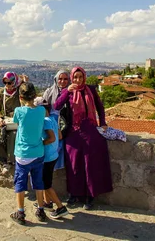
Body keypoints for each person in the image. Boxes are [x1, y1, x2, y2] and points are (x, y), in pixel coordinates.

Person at [54, 66, 112, 210]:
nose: (78, 80)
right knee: (74, 164)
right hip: (73, 132)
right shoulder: (68, 92)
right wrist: (67, 91)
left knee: (91, 165)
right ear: (72, 78)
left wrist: (103, 123)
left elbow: (100, 107)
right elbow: (56, 105)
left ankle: (90, 196)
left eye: (80, 77)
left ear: (84, 77)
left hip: (90, 130)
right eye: (75, 77)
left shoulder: (91, 90)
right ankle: (74, 194)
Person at [10, 82, 48, 225]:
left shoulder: (18, 111)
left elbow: (16, 123)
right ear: (35, 95)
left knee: (20, 183)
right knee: (38, 182)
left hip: (23, 154)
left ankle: (20, 212)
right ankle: (41, 209)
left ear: (20, 97)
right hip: (38, 152)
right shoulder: (41, 111)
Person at [33, 97, 68, 218]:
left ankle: (60, 207)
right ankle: (47, 202)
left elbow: (52, 138)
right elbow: (59, 136)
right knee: (45, 181)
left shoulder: (44, 122)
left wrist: (39, 144)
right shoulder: (53, 119)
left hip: (46, 157)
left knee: (46, 184)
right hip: (54, 155)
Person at [0, 72, 27, 165]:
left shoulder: (20, 91)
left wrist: (25, 83)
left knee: (14, 135)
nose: (7, 85)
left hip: (18, 120)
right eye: (5, 83)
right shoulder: (2, 92)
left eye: (10, 82)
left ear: (14, 82)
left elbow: (28, 96)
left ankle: (12, 160)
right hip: (6, 119)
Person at [42, 70, 71, 170]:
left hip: (65, 121)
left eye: (65, 79)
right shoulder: (49, 91)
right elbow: (43, 107)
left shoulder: (71, 92)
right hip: (51, 121)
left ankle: (58, 166)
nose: (62, 81)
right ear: (56, 79)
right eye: (60, 79)